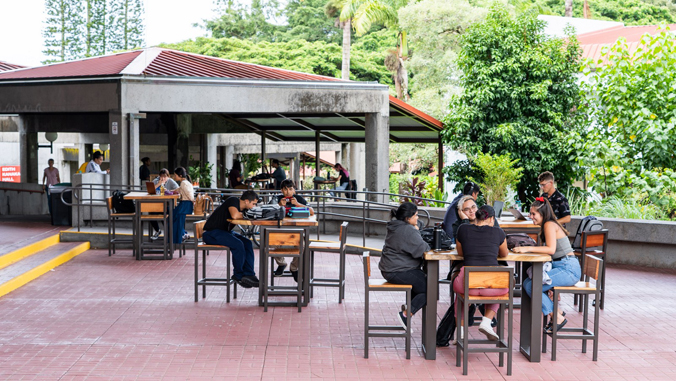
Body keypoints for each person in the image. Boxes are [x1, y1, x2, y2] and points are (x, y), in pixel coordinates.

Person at [513, 197, 581, 333]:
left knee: (533, 285)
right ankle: (557, 312)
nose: (530, 216)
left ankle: (556, 316)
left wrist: (526, 249)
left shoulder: (549, 224)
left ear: (542, 214)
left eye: (533, 214)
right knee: (527, 284)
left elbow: (551, 250)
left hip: (568, 269)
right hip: (561, 267)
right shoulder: (547, 225)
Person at [454, 205, 509, 343]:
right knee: (504, 288)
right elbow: (504, 254)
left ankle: (460, 333)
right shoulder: (498, 232)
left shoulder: (463, 229)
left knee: (460, 296)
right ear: (491, 219)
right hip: (491, 288)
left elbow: (460, 253)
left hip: (467, 285)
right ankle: (486, 320)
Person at [380, 202, 430, 330]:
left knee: (422, 282)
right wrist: (417, 232)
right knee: (430, 289)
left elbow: (419, 227)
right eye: (416, 215)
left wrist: (416, 228)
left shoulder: (397, 226)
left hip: (390, 268)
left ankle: (409, 308)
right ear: (408, 218)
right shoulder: (407, 230)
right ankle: (406, 314)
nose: (418, 218)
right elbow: (423, 249)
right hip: (397, 270)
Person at [202, 190, 260, 288]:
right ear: (246, 201)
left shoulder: (243, 210)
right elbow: (234, 215)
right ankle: (238, 275)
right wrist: (249, 215)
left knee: (247, 243)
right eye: (253, 204)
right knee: (238, 245)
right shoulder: (233, 201)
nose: (254, 206)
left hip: (223, 232)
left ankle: (249, 274)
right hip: (211, 233)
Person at [273, 179, 315, 280]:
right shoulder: (276, 198)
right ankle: (282, 263)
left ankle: (294, 268)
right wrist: (278, 205)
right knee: (269, 241)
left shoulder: (298, 198)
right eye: (285, 189)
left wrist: (298, 204)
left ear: (294, 190)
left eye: (290, 189)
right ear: (281, 190)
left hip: (297, 231)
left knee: (303, 246)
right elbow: (268, 210)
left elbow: (312, 211)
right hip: (280, 231)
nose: (288, 192)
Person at [148, 169, 179, 240]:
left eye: (165, 177)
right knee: (151, 214)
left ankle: (169, 232)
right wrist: (159, 184)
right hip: (156, 204)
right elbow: (150, 191)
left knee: (167, 215)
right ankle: (157, 230)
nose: (163, 179)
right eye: (161, 177)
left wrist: (168, 191)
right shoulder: (156, 181)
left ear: (168, 176)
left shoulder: (170, 181)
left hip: (167, 204)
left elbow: (178, 189)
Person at [169, 167, 195, 244]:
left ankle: (181, 235)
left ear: (180, 176)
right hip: (185, 205)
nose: (174, 177)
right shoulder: (185, 182)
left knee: (171, 218)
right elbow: (179, 189)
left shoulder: (184, 183)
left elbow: (189, 194)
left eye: (175, 175)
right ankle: (182, 234)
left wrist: (193, 202)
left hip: (185, 205)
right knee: (172, 217)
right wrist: (170, 191)